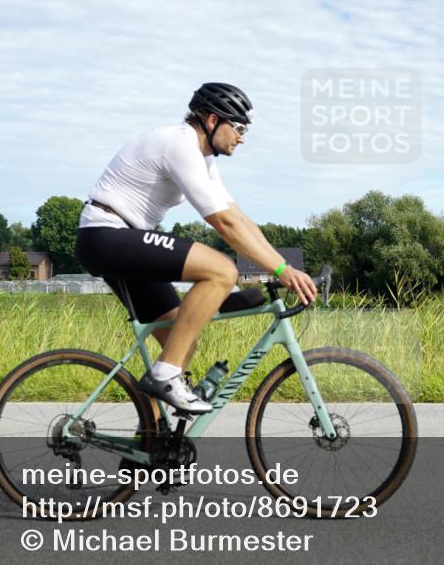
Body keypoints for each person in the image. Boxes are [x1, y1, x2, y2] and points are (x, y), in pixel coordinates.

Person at [75, 83, 317, 414]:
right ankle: (165, 376)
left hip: (122, 239)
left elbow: (238, 217)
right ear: (213, 120)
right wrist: (280, 270)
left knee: (180, 343)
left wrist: (283, 265)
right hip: (106, 234)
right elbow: (223, 224)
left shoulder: (203, 159)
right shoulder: (179, 144)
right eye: (239, 128)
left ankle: (150, 438)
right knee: (222, 270)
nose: (242, 138)